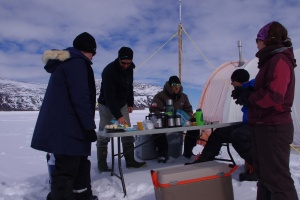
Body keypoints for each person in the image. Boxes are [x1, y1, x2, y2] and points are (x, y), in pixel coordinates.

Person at [232, 21, 298, 199]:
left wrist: (249, 97)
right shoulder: (270, 61)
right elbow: (269, 90)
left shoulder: (279, 60)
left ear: (268, 40)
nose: (256, 43)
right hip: (263, 126)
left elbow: (275, 95)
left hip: (273, 127)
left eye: (258, 39)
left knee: (278, 180)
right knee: (265, 177)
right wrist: (248, 92)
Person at [31, 32, 98, 200]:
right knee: (67, 171)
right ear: (87, 50)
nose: (93, 57)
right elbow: (81, 98)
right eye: (93, 53)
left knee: (80, 164)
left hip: (70, 127)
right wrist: (89, 127)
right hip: (68, 128)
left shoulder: (68, 63)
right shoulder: (77, 64)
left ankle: (83, 196)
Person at [186, 69, 257, 182]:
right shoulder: (244, 89)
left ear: (239, 80)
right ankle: (205, 159)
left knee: (237, 136)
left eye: (233, 81)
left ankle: (257, 167)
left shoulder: (253, 87)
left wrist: (245, 95)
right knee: (219, 133)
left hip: (258, 125)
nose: (232, 83)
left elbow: (258, 100)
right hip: (247, 123)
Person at [97, 47, 146, 172]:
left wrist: (130, 103)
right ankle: (102, 165)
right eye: (123, 63)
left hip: (122, 103)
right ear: (118, 59)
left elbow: (129, 87)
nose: (126, 66)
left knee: (127, 132)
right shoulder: (109, 71)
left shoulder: (130, 69)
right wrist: (118, 116)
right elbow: (109, 97)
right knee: (104, 133)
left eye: (128, 63)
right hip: (106, 105)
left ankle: (130, 160)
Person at [149, 75, 193, 163]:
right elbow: (154, 110)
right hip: (164, 122)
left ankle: (188, 153)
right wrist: (165, 115)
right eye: (174, 85)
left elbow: (189, 110)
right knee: (158, 130)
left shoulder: (183, 97)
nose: (176, 87)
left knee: (194, 129)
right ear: (170, 85)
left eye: (178, 85)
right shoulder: (160, 96)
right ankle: (162, 154)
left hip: (179, 122)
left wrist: (183, 117)